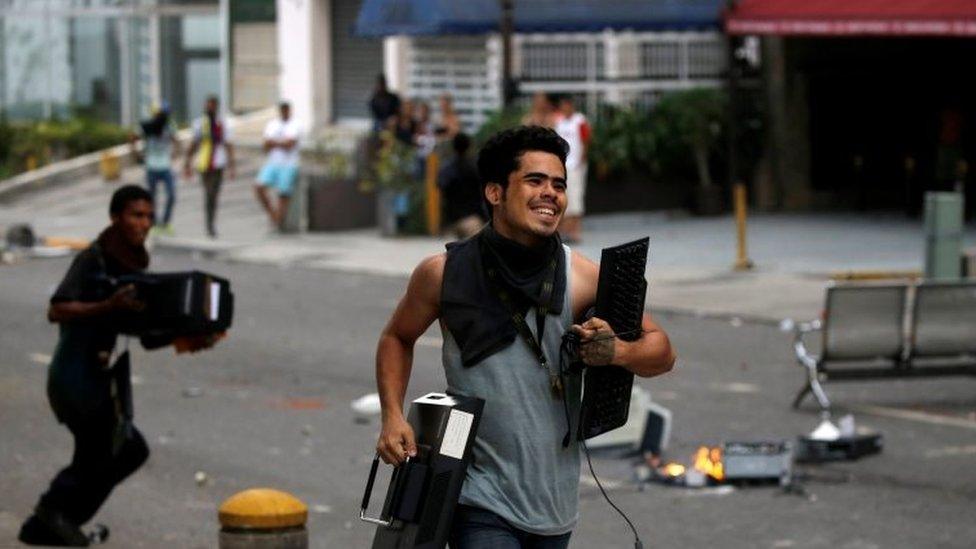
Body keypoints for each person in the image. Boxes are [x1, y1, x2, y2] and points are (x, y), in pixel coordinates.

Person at [374, 126, 676, 548]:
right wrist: (392, 414)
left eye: (559, 184)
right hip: (476, 495)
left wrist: (619, 351)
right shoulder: (443, 274)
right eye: (535, 181)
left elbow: (662, 352)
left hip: (553, 504)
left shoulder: (581, 276)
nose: (550, 193)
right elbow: (396, 337)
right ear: (496, 193)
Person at [17, 186, 218, 546]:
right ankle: (53, 514)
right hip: (74, 377)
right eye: (135, 215)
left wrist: (186, 339)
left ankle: (51, 525)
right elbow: (57, 309)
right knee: (113, 450)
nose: (143, 224)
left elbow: (138, 331)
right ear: (115, 218)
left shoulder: (129, 263)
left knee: (120, 451)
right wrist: (107, 307)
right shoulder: (93, 259)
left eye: (148, 216)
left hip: (98, 380)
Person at [184, 95, 235, 238]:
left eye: (212, 105)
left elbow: (228, 144)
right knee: (209, 194)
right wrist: (187, 162)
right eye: (208, 105)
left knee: (214, 194)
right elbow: (194, 144)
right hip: (204, 162)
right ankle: (209, 224)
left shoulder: (222, 124)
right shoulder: (200, 124)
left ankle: (211, 221)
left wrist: (232, 165)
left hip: (218, 162)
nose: (210, 108)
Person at [130, 102, 180, 233]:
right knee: (151, 198)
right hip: (151, 166)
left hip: (165, 166)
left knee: (172, 195)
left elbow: (176, 140)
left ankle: (165, 223)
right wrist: (136, 155)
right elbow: (132, 137)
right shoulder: (147, 127)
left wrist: (175, 151)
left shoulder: (169, 126)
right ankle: (154, 224)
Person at [255, 101, 301, 230]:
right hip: (273, 162)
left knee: (283, 194)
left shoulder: (295, 124)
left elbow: (290, 145)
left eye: (286, 110)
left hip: (289, 164)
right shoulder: (272, 125)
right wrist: (280, 143)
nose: (284, 113)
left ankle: (279, 221)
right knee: (259, 187)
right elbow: (265, 145)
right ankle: (272, 214)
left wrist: (274, 143)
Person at [553, 96, 590, 243]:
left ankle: (575, 231)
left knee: (576, 198)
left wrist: (581, 159)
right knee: (562, 197)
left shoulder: (579, 120)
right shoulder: (559, 121)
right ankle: (563, 231)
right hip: (563, 166)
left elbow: (586, 140)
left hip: (575, 166)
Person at [437, 132, 485, 238]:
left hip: (452, 218)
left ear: (453, 147)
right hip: (472, 218)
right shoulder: (475, 168)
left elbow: (441, 189)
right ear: (469, 146)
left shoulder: (446, 169)